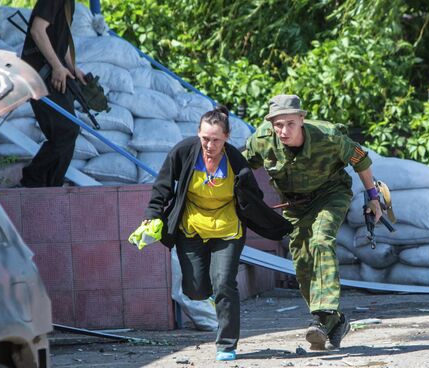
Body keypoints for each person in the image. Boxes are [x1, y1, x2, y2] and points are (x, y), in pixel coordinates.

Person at [142, 106, 292, 361]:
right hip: (191, 228)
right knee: (196, 290)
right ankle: (210, 293)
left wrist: (260, 214)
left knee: (225, 284)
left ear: (227, 138)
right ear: (198, 134)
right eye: (205, 139)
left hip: (227, 229)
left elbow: (252, 195)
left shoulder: (235, 161)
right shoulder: (184, 152)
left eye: (216, 140)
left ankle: (226, 345)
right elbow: (163, 184)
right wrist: (153, 214)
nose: (209, 145)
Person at [244, 94, 383, 351]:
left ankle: (322, 314)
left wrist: (373, 196)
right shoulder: (262, 140)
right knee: (302, 262)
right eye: (278, 124)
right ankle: (335, 321)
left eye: (290, 124)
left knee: (320, 240)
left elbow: (360, 158)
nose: (283, 131)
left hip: (330, 194)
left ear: (301, 119)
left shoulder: (327, 136)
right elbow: (241, 164)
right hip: (294, 205)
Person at [19, 0, 86, 187]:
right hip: (40, 75)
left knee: (67, 132)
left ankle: (51, 186)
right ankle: (32, 181)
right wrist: (57, 66)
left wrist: (72, 68)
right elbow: (38, 30)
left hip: (51, 72)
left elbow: (59, 40)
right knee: (67, 130)